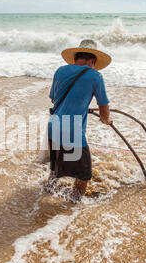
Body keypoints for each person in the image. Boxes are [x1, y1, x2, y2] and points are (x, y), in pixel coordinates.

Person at [47, 39, 113, 202]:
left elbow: (54, 101)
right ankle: (73, 205)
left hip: (53, 127)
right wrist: (107, 121)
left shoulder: (60, 71)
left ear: (76, 58)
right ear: (93, 60)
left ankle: (46, 194)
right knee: (84, 174)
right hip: (73, 132)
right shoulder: (95, 76)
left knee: (56, 170)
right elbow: (104, 110)